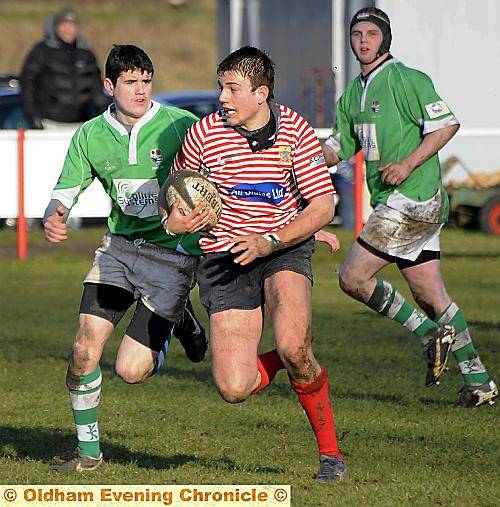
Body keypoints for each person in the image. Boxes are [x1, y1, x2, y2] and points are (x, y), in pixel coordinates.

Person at [159, 46, 348, 482]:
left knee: (294, 344)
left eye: (233, 89)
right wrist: (176, 221)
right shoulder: (203, 135)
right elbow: (175, 197)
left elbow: (321, 206)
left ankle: (331, 456)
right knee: (234, 387)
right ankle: (292, 356)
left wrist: (272, 240)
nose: (222, 98)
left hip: (281, 248)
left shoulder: (295, 131)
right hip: (224, 257)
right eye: (220, 87)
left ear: (261, 93)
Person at [43, 44, 209, 472]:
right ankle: (89, 455)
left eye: (146, 81)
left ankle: (179, 317)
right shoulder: (91, 135)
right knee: (84, 348)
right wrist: (54, 213)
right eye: (130, 82)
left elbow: (216, 179)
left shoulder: (181, 126)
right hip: (118, 250)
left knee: (132, 370)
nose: (140, 90)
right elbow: (66, 188)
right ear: (109, 86)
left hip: (171, 258)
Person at [323, 7, 497, 407]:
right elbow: (339, 147)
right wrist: (303, 156)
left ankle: (425, 333)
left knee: (352, 278)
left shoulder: (407, 79)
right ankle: (480, 382)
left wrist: (408, 164)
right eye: (356, 34)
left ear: (385, 38)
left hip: (414, 199)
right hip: (397, 202)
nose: (363, 40)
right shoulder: (353, 93)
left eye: (371, 33)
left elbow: (447, 124)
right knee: (433, 297)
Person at [20, 7, 109, 129]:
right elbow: (27, 84)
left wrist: (103, 114)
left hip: (81, 124)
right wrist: (32, 115)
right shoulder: (41, 51)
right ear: (56, 27)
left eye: (72, 25)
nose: (69, 30)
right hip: (49, 124)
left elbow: (96, 90)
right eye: (64, 25)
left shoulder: (86, 54)